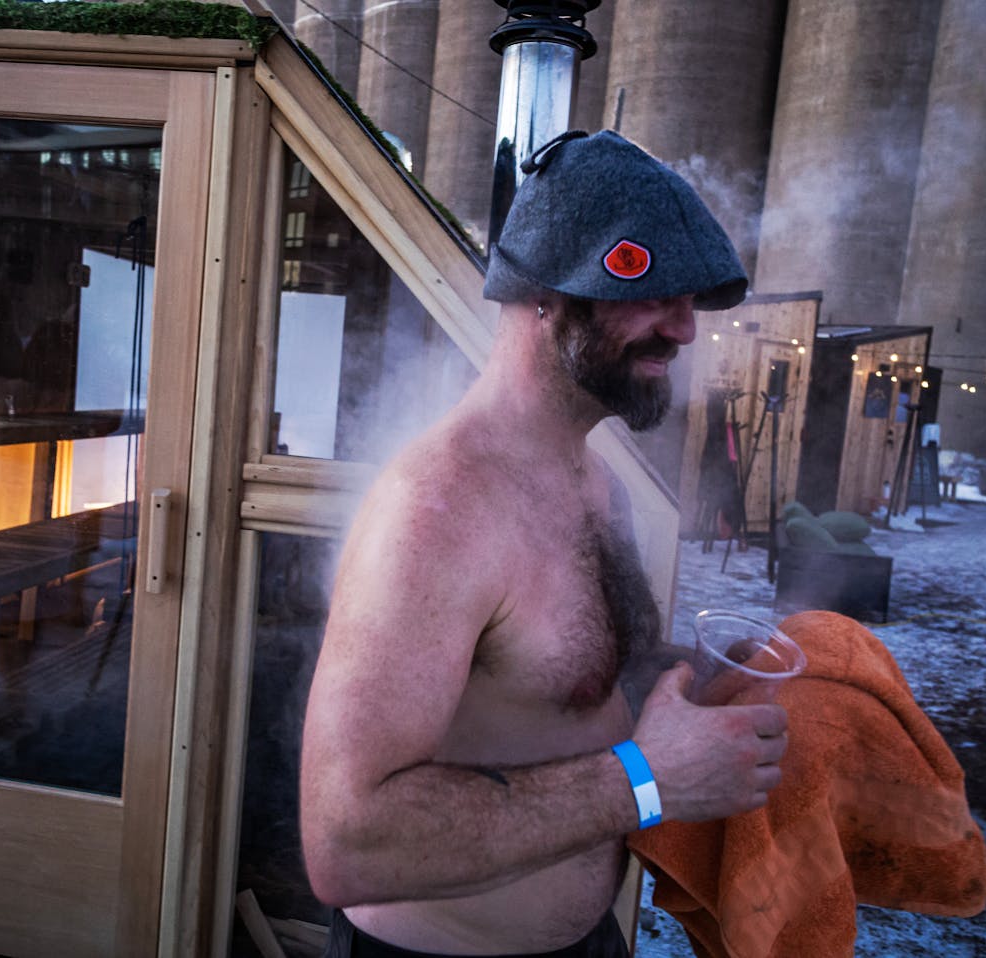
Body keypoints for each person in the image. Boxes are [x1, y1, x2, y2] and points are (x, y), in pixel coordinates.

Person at [299, 130, 789, 957]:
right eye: (655, 292)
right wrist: (649, 780)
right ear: (545, 297)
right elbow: (347, 843)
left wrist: (696, 680)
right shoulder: (436, 512)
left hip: (587, 942)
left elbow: (568, 682)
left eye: (690, 300)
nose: (684, 330)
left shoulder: (595, 479)